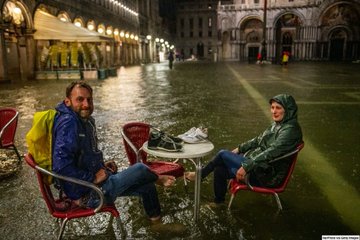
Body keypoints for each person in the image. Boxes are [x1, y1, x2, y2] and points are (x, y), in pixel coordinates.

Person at [52, 81, 175, 221]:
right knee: (141, 168)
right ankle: (159, 178)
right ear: (67, 102)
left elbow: (82, 156)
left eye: (89, 100)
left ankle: (156, 223)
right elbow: (60, 167)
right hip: (90, 194)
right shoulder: (69, 123)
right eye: (80, 99)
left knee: (147, 187)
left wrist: (101, 166)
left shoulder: (82, 120)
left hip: (96, 185)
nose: (86, 104)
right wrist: (92, 178)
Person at [185, 94, 303, 204]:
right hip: (261, 167)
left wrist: (246, 166)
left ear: (288, 110)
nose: (274, 111)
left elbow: (271, 152)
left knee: (222, 154)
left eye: (278, 108)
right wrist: (239, 149)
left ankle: (199, 175)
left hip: (267, 175)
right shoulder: (278, 124)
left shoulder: (290, 131)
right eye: (272, 107)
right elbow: (258, 140)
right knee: (219, 169)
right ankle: (218, 202)